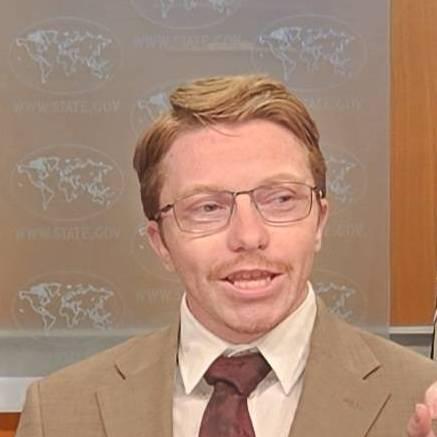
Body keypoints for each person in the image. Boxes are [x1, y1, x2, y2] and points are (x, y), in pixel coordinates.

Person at [15, 74, 437, 437]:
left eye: (281, 199)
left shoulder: (420, 396)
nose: (249, 236)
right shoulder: (60, 413)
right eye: (208, 207)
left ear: (319, 222)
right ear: (160, 243)